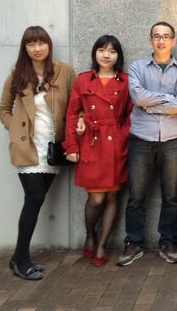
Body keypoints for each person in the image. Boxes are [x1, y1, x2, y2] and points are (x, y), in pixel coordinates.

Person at [0, 26, 76, 280]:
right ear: (25, 48)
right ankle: (21, 259)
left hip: (53, 148)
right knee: (35, 197)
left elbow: (76, 105)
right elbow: (3, 109)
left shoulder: (64, 71)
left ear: (48, 45)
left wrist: (78, 124)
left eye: (41, 42)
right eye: (31, 44)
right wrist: (15, 129)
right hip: (27, 147)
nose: (37, 48)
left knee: (36, 199)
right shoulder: (17, 75)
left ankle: (17, 258)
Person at [117, 22, 177, 266]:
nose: (161, 41)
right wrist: (167, 100)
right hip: (141, 139)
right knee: (136, 195)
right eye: (157, 36)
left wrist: (151, 104)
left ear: (173, 41)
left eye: (166, 36)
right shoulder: (137, 67)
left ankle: (168, 242)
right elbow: (138, 97)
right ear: (151, 40)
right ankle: (133, 242)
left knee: (171, 195)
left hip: (172, 140)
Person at [64, 35, 133, 267]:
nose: (106, 55)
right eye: (102, 50)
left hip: (115, 144)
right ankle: (90, 234)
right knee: (95, 198)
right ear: (95, 52)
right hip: (91, 143)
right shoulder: (83, 80)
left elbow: (132, 114)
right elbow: (72, 114)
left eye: (112, 51)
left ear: (118, 56)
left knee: (112, 196)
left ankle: (102, 244)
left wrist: (122, 135)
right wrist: (71, 145)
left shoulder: (125, 81)